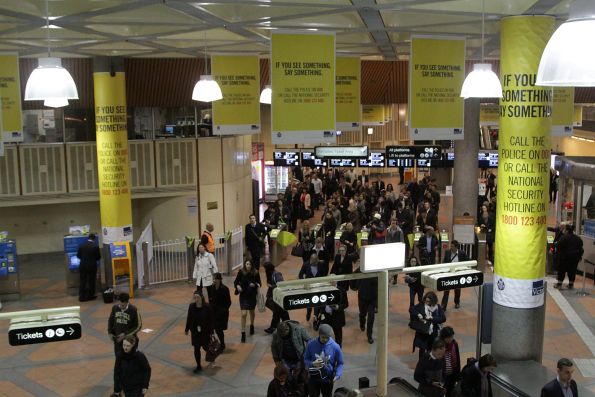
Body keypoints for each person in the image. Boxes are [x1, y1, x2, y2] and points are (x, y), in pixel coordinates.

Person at [304, 324, 344, 397]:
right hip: (313, 379)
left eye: (327, 338)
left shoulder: (335, 347)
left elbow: (340, 363)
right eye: (323, 337)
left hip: (327, 380)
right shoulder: (311, 344)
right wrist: (312, 363)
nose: (325, 340)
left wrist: (338, 375)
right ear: (319, 334)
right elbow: (305, 359)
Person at [272, 320, 311, 394]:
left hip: (299, 358)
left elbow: (309, 340)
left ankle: (299, 392)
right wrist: (276, 360)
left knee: (299, 377)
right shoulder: (276, 334)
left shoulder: (299, 329)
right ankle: (289, 392)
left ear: (288, 329)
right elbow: (273, 347)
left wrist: (306, 355)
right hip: (285, 359)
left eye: (284, 335)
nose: (283, 336)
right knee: (287, 377)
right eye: (281, 335)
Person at [184, 292, 214, 373]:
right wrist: (186, 329)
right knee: (196, 349)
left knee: (206, 347)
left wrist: (212, 331)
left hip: (205, 332)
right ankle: (198, 365)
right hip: (195, 332)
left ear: (202, 298)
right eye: (195, 298)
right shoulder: (191, 306)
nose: (196, 299)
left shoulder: (207, 307)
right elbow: (189, 318)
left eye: (198, 297)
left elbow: (211, 320)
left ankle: (211, 356)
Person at [411, 291, 446, 359]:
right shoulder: (421, 305)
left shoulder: (438, 307)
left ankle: (429, 363)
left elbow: (443, 318)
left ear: (433, 301)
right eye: (426, 301)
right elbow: (412, 309)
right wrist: (418, 314)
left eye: (428, 301)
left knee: (431, 350)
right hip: (423, 333)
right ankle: (421, 363)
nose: (426, 303)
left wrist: (432, 318)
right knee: (422, 350)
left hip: (433, 333)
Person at [234, 260, 262, 343]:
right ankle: (243, 332)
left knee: (252, 312)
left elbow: (260, 283)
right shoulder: (241, 272)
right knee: (243, 314)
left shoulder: (255, 272)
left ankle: (252, 325)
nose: (248, 265)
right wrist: (238, 286)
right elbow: (236, 282)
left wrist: (255, 285)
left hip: (252, 295)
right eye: (246, 264)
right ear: (245, 264)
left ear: (252, 265)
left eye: (249, 264)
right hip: (243, 295)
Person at [108, 292, 143, 358]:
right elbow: (110, 320)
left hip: (130, 341)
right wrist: (110, 332)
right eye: (120, 305)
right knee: (118, 359)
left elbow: (139, 326)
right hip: (118, 341)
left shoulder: (133, 310)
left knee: (131, 359)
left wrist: (125, 334)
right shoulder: (115, 308)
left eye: (123, 306)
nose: (121, 307)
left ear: (127, 302)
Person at [352, 259, 378, 344]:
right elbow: (353, 275)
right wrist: (354, 287)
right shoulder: (362, 268)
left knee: (371, 317)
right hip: (362, 296)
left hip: (373, 298)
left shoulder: (377, 270)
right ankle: (362, 323)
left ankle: (369, 335)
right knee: (362, 313)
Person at [299, 253, 328, 322]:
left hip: (318, 287)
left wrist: (322, 284)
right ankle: (308, 313)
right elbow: (300, 275)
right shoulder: (306, 264)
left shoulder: (320, 264)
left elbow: (323, 275)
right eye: (312, 261)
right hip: (309, 288)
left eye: (315, 261)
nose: (314, 262)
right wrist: (304, 282)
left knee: (317, 302)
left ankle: (315, 316)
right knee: (309, 303)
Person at [554, 223, 584, 289]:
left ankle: (559, 284)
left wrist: (556, 245)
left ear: (566, 230)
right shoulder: (578, 238)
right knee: (572, 271)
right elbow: (581, 247)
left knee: (562, 271)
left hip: (564, 258)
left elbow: (558, 246)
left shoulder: (564, 237)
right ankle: (571, 285)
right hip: (574, 258)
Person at [441, 240, 468, 310]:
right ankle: (443, 305)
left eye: (452, 246)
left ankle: (457, 303)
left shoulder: (462, 253)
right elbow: (444, 261)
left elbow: (466, 262)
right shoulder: (447, 252)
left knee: (457, 289)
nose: (451, 247)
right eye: (451, 246)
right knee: (446, 289)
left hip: (458, 274)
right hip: (449, 273)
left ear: (456, 247)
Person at [264, 262, 290, 334]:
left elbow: (281, 285)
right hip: (276, 297)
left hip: (278, 297)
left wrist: (271, 286)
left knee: (281, 313)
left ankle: (288, 327)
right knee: (277, 313)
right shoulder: (271, 274)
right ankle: (274, 327)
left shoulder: (276, 274)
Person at [76, 233, 101, 302]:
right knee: (91, 281)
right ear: (94, 239)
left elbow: (78, 256)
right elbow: (98, 257)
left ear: (88, 238)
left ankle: (81, 297)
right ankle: (90, 296)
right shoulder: (95, 246)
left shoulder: (82, 245)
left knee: (83, 281)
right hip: (92, 266)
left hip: (83, 266)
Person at [210, 273, 231, 352]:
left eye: (215, 279)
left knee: (219, 329)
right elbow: (211, 300)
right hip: (214, 313)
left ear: (219, 280)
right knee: (215, 329)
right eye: (213, 279)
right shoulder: (212, 288)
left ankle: (222, 343)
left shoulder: (225, 289)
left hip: (222, 313)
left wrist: (223, 310)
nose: (214, 280)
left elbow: (228, 302)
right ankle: (220, 343)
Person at [440, 327, 461, 397]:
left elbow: (457, 359)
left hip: (452, 374)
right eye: (449, 337)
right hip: (443, 376)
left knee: (451, 392)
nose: (451, 339)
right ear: (444, 337)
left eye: (452, 336)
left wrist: (458, 374)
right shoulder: (439, 346)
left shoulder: (454, 344)